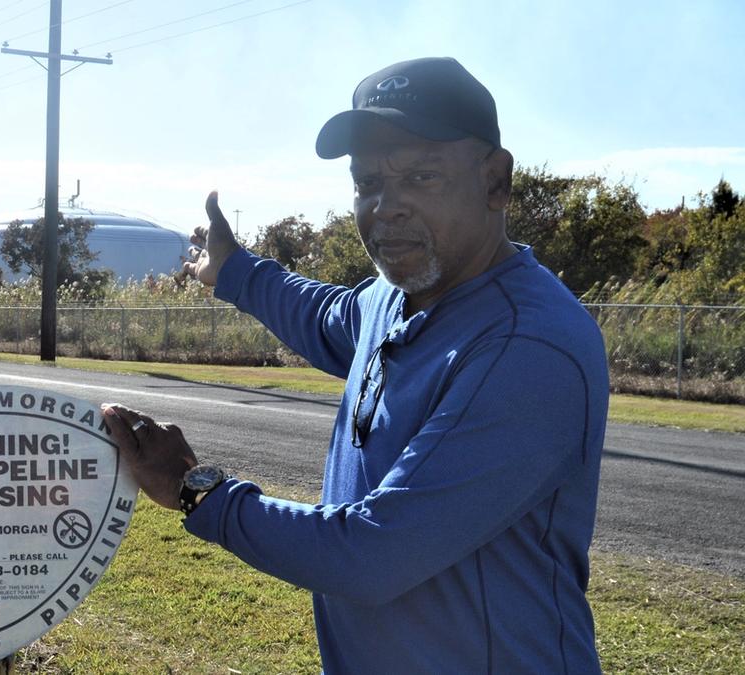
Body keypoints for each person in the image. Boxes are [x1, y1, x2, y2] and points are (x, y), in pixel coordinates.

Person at [102, 57, 608, 673]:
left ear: (496, 181)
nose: (385, 208)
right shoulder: (393, 298)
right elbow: (322, 315)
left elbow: (372, 554)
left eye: (421, 176)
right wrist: (232, 270)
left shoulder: (528, 346)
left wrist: (194, 489)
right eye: (367, 182)